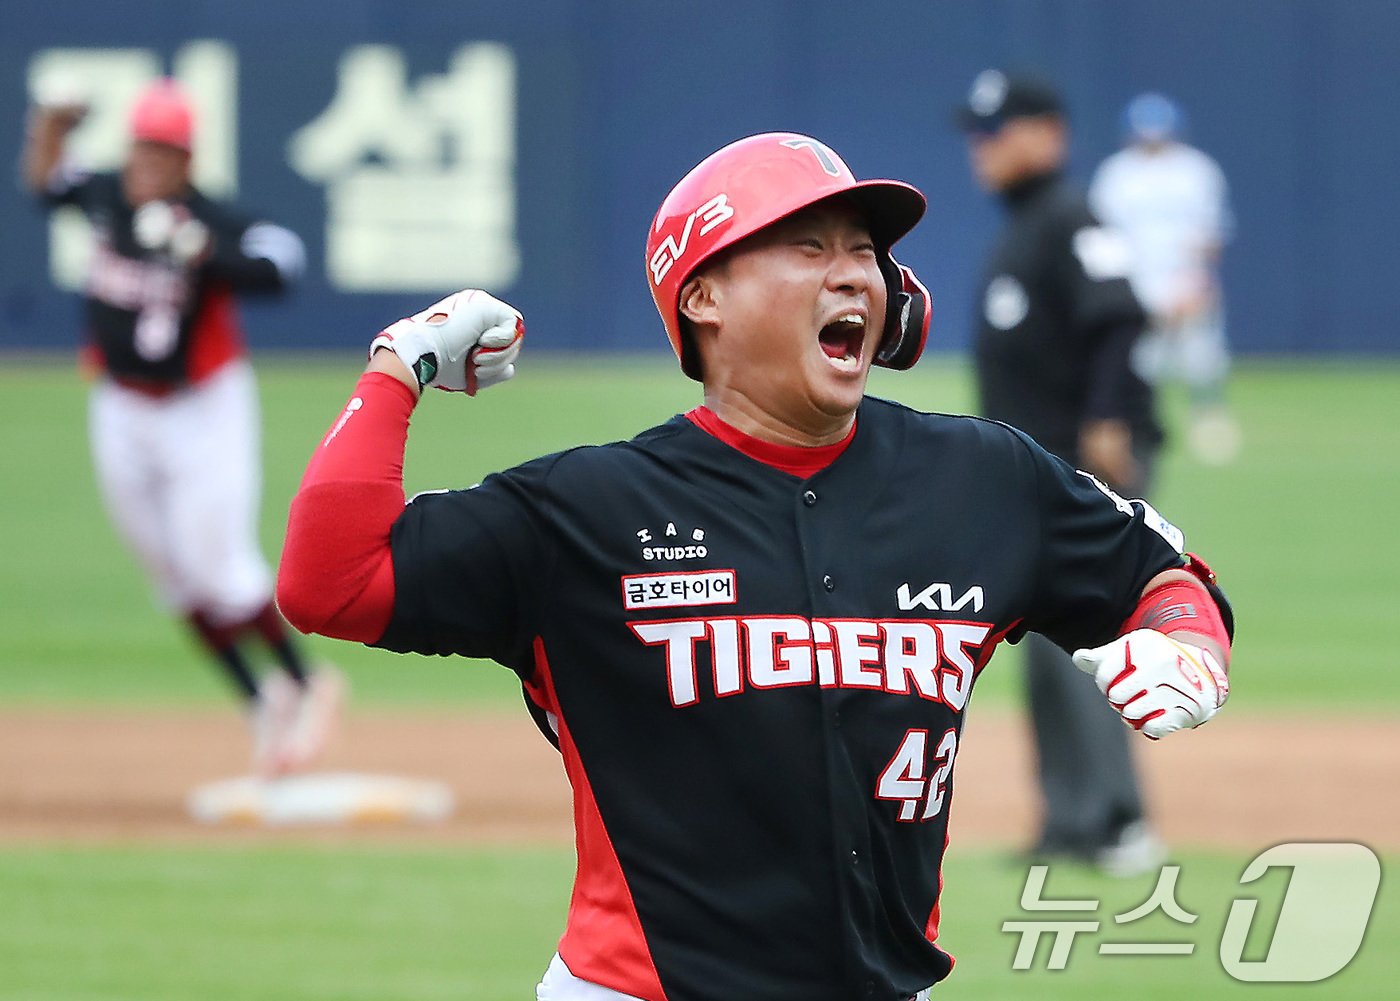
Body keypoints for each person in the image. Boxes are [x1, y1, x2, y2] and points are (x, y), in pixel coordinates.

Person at [276, 132, 1234, 1001]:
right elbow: (330, 582)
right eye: (809, 246)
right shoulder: (587, 510)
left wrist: (1184, 639)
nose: (853, 273)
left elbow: (1166, 576)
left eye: (864, 250)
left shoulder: (981, 479)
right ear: (703, 297)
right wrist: (399, 365)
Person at [20, 77, 342, 777]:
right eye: (141, 147)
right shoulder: (108, 195)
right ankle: (260, 700)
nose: (147, 162)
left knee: (217, 563)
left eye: (162, 152)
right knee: (171, 574)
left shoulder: (207, 217)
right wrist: (50, 123)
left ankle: (306, 681)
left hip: (203, 407)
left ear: (186, 159)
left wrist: (200, 248)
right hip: (120, 405)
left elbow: (281, 261)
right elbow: (45, 182)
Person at [955, 69, 1171, 875]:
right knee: (1046, 646)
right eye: (977, 132)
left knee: (1084, 642)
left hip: (1086, 470)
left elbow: (1119, 319)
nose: (981, 146)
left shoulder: (1072, 218)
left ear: (1049, 134)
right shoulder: (1025, 227)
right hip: (1039, 475)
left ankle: (1118, 822)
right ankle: (1068, 819)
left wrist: (1108, 419)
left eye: (997, 130)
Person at [1090, 92, 1240, 465]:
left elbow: (1211, 234)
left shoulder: (1196, 170)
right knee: (1137, 363)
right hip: (1133, 286)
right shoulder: (1116, 174)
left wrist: (1196, 283)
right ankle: (1140, 427)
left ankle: (1209, 425)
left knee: (1202, 357)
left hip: (1184, 282)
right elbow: (1102, 237)